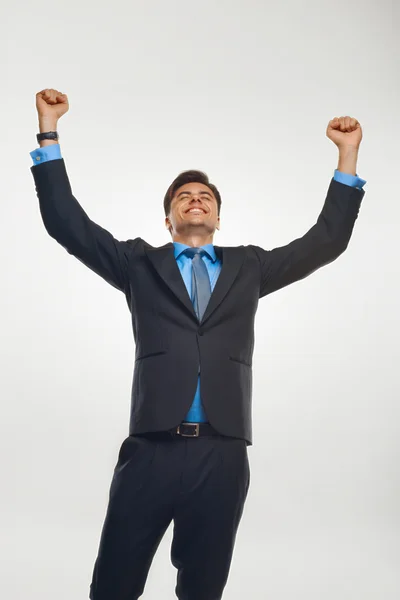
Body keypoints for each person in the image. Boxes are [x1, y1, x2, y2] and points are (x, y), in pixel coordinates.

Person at [30, 88, 366, 600]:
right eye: (183, 197)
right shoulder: (138, 264)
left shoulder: (249, 267)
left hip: (223, 452)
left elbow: (326, 241)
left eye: (205, 197)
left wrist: (347, 156)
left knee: (204, 587)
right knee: (115, 582)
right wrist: (49, 129)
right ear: (169, 220)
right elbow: (65, 221)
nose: (195, 199)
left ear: (216, 218)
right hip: (151, 449)